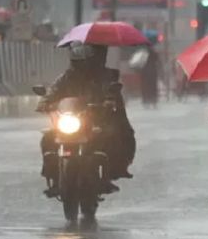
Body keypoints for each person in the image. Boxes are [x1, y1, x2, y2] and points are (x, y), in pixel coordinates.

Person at [38, 42, 136, 196]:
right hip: (70, 121)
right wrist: (45, 103)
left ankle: (108, 175)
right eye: (77, 61)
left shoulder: (102, 77)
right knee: (48, 138)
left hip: (93, 122)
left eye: (83, 61)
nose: (80, 66)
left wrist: (108, 101)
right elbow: (53, 91)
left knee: (111, 135)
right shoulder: (66, 78)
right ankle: (53, 175)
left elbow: (110, 93)